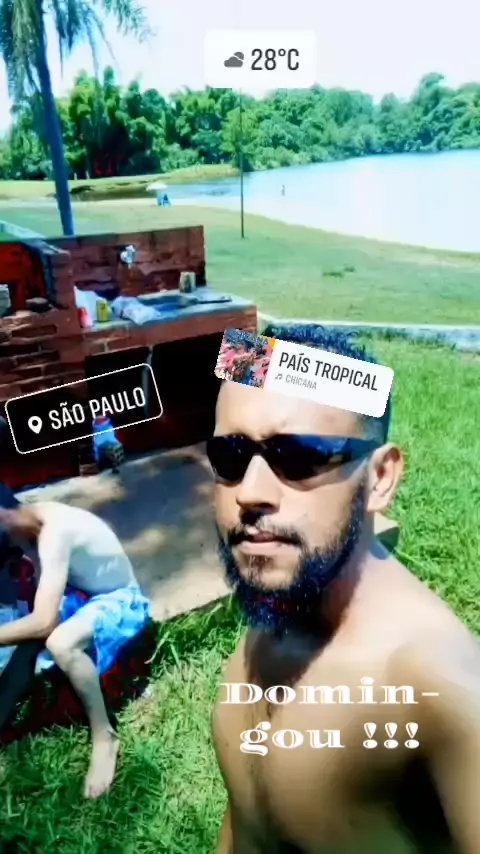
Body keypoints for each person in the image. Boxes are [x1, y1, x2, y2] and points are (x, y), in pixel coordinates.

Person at [208, 323, 480, 854]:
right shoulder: (282, 605)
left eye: (300, 456)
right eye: (231, 456)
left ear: (380, 479)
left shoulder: (440, 686)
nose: (251, 493)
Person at [0, 500, 149, 799]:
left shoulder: (56, 532)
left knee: (59, 642)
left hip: (121, 600)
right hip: (81, 594)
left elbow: (44, 622)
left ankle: (105, 736)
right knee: (25, 635)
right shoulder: (27, 524)